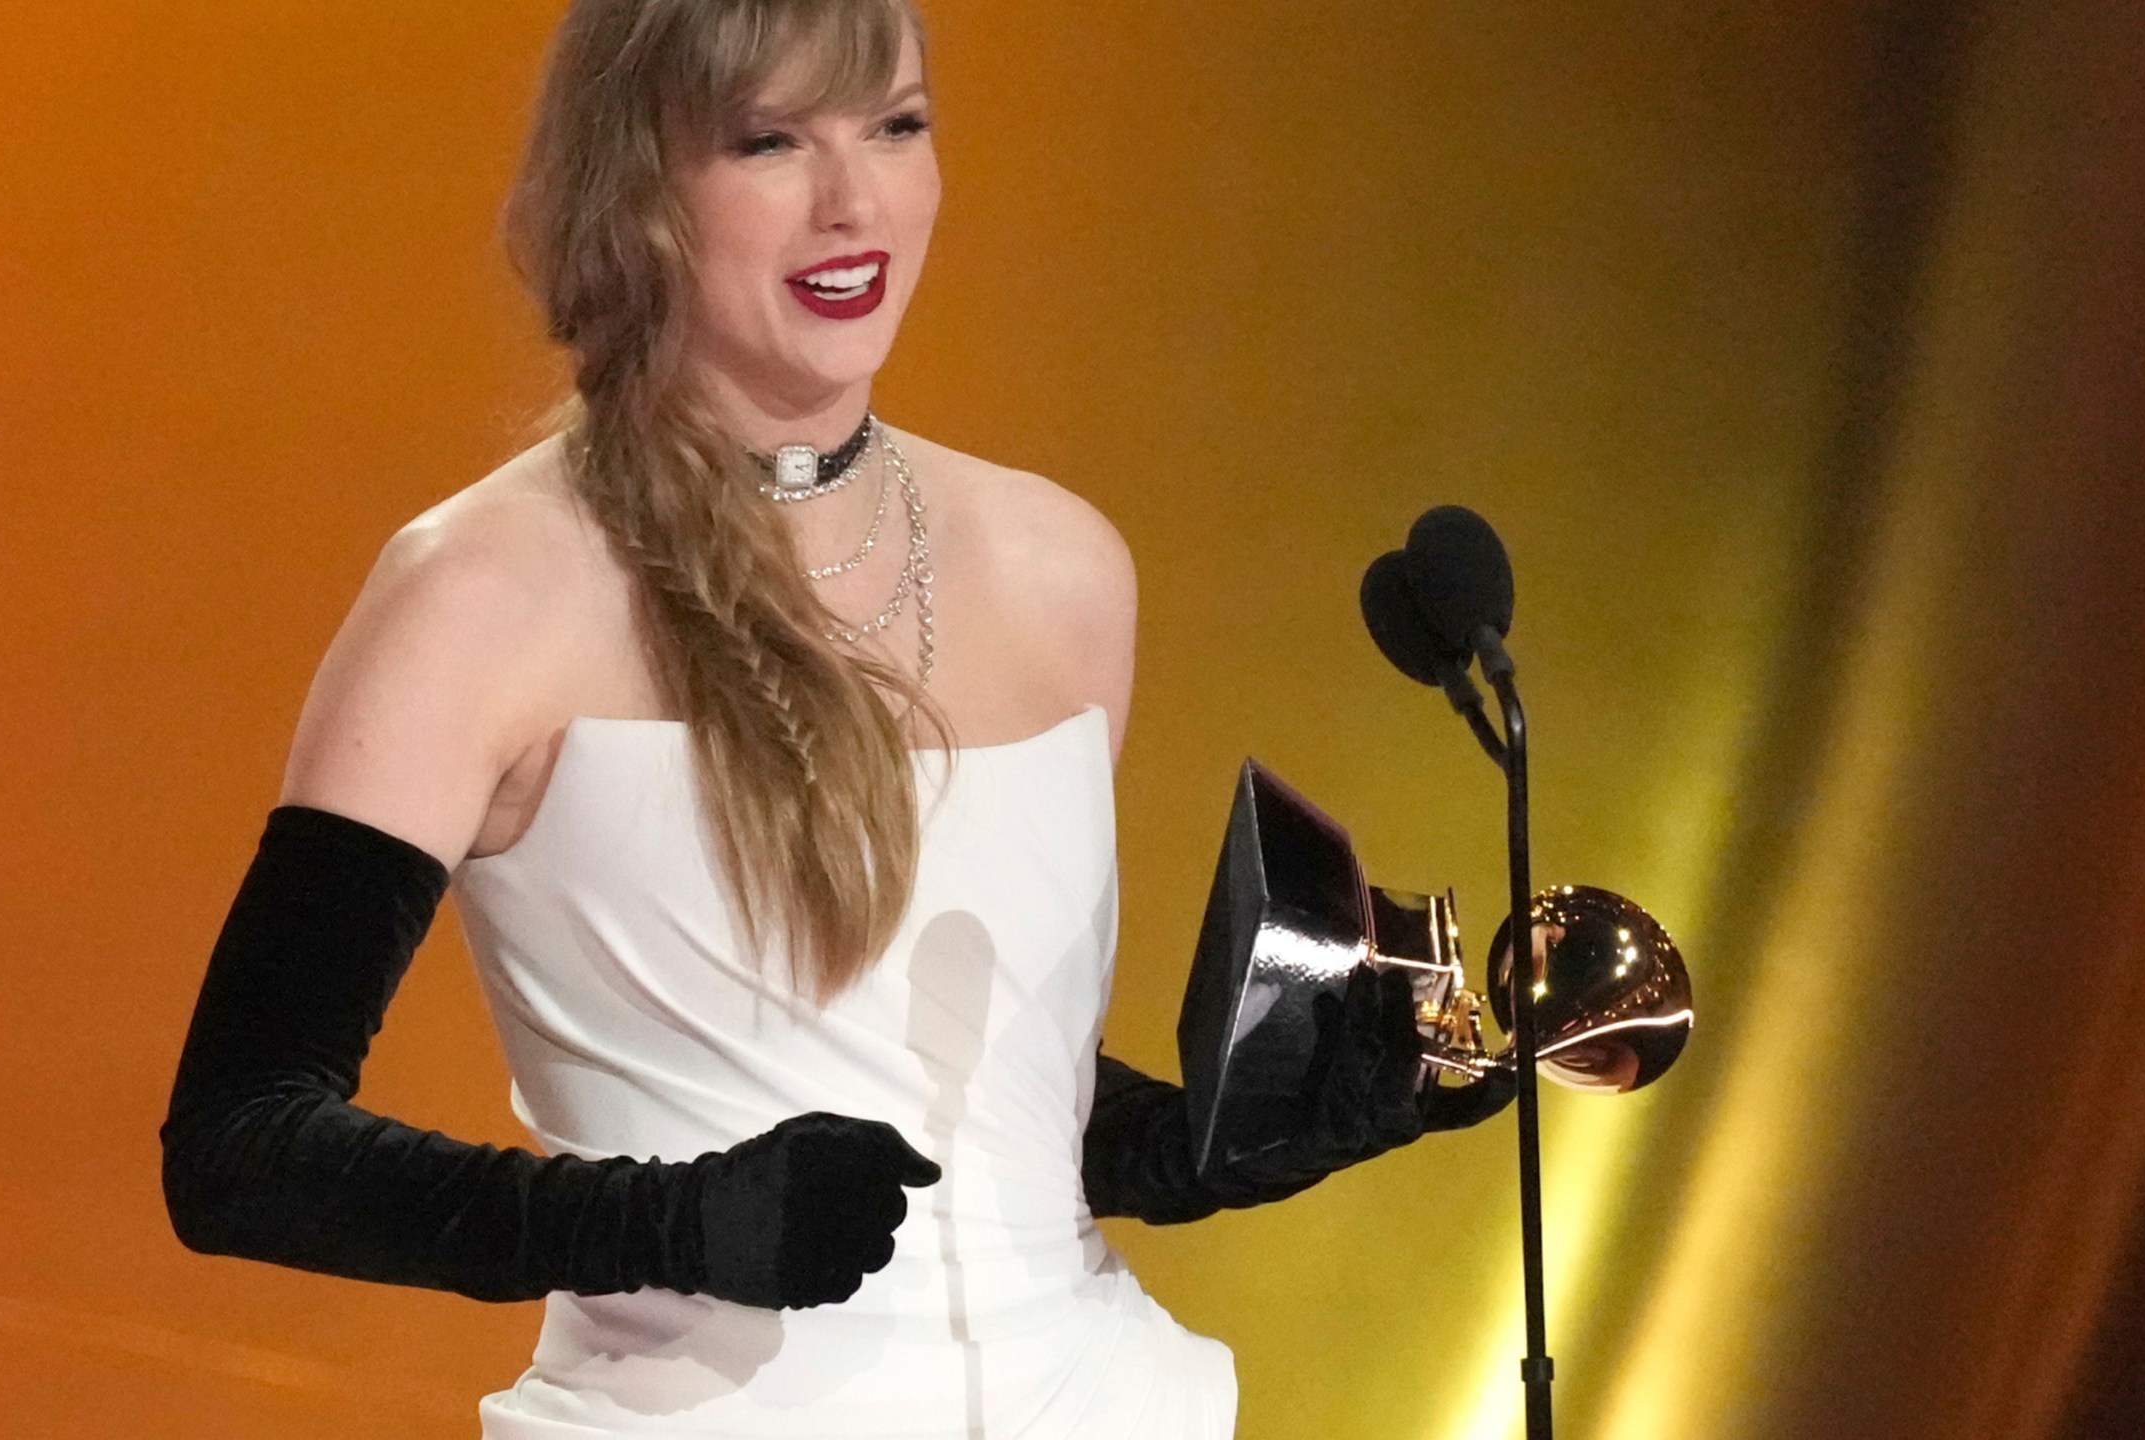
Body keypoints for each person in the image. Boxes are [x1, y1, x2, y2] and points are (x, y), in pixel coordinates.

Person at [159, 2, 1472, 1434]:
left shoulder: (1063, 572)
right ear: (634, 187)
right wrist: (667, 1227)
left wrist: (1232, 1135)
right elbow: (242, 1144)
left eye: (896, 126)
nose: (855, 202)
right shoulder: (482, 592)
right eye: (770, 140)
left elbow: (989, 1123)